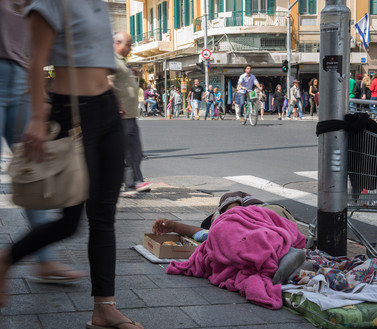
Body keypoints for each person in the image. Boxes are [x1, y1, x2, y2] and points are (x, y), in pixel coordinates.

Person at [0, 2, 144, 328]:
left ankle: (104, 308)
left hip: (107, 109)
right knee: (71, 221)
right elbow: (39, 62)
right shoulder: (51, 2)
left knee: (104, 216)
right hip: (73, 115)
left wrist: (109, 89)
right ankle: (8, 258)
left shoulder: (97, 5)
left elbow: (95, 56)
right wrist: (39, 115)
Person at [0, 0, 86, 285]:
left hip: (21, 81)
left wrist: (43, 94)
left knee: (35, 173)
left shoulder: (40, 5)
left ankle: (44, 259)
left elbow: (43, 55)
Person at [152, 191, 301, 242]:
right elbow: (200, 233)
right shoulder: (219, 233)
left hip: (273, 216)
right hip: (270, 234)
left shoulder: (233, 202)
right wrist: (174, 227)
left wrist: (231, 219)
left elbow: (234, 205)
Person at [111, 32, 152, 195]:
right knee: (130, 150)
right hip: (122, 114)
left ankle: (135, 181)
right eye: (128, 44)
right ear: (118, 43)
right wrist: (118, 103)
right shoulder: (112, 60)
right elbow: (109, 82)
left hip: (130, 114)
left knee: (134, 149)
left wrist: (131, 73)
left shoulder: (122, 62)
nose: (130, 48)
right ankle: (131, 183)